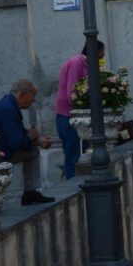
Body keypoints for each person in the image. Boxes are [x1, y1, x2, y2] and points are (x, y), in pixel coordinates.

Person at [0, 79, 54, 205]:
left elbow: (19, 133)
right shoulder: (7, 108)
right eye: (33, 96)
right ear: (23, 94)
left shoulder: (9, 104)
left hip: (0, 151)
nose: (34, 100)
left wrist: (38, 141)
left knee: (32, 150)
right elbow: (17, 142)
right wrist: (31, 136)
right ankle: (30, 193)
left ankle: (30, 193)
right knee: (31, 150)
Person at [55, 40, 104, 179]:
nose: (101, 59)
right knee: (73, 154)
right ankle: (72, 184)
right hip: (68, 115)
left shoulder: (88, 65)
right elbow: (73, 91)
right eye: (100, 56)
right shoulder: (77, 63)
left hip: (79, 115)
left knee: (85, 152)